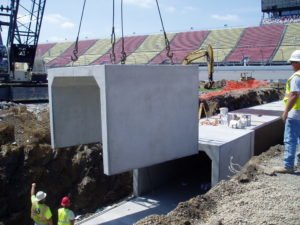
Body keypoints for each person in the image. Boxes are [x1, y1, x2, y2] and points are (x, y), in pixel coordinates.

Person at [274, 50, 300, 173]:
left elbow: (294, 95)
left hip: (295, 113)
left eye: (293, 62)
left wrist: (285, 111)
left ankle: (288, 166)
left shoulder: (296, 77)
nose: (291, 65)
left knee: (290, 139)